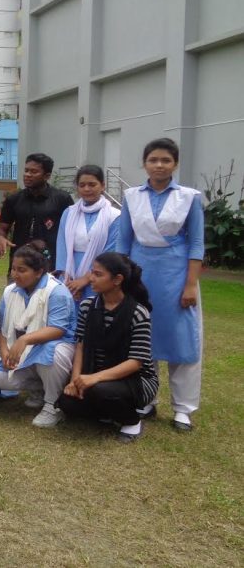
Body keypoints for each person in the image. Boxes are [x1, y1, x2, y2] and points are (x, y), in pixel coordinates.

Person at [117, 137, 204, 433]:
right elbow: (123, 243)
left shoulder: (189, 198)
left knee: (182, 340)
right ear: (144, 163)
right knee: (144, 339)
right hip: (140, 276)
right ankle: (146, 398)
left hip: (176, 276)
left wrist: (191, 284)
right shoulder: (131, 196)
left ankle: (183, 408)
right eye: (153, 160)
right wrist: (123, 282)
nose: (159, 165)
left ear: (175, 164)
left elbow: (196, 244)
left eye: (166, 160)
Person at [59, 253, 159, 443]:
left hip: (136, 380)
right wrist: (75, 380)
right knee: (66, 402)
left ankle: (132, 420)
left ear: (117, 280)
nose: (91, 278)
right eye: (92, 273)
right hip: (96, 375)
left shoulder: (138, 312)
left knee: (101, 391)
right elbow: (80, 345)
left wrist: (94, 378)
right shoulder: (88, 306)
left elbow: (136, 363)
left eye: (98, 274)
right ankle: (107, 412)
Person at [0, 242, 76, 427]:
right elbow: (2, 329)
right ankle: (39, 390)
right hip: (21, 350)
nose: (15, 274)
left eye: (22, 270)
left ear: (39, 272)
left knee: (53, 353)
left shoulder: (57, 291)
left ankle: (53, 405)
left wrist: (25, 339)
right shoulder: (9, 291)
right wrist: (5, 353)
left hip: (53, 345)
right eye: (13, 269)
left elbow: (58, 329)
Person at [0, 152, 73, 275]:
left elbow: (71, 231)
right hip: (19, 266)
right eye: (26, 170)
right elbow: (3, 227)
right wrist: (0, 237)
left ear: (47, 176)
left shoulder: (62, 199)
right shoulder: (14, 199)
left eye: (33, 172)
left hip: (51, 267)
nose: (27, 175)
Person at [55, 165, 120, 304]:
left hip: (99, 276)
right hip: (68, 277)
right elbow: (62, 247)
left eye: (92, 184)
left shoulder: (114, 216)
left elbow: (110, 252)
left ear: (102, 185)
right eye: (82, 185)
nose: (86, 189)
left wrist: (84, 280)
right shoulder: (69, 213)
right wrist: (69, 281)